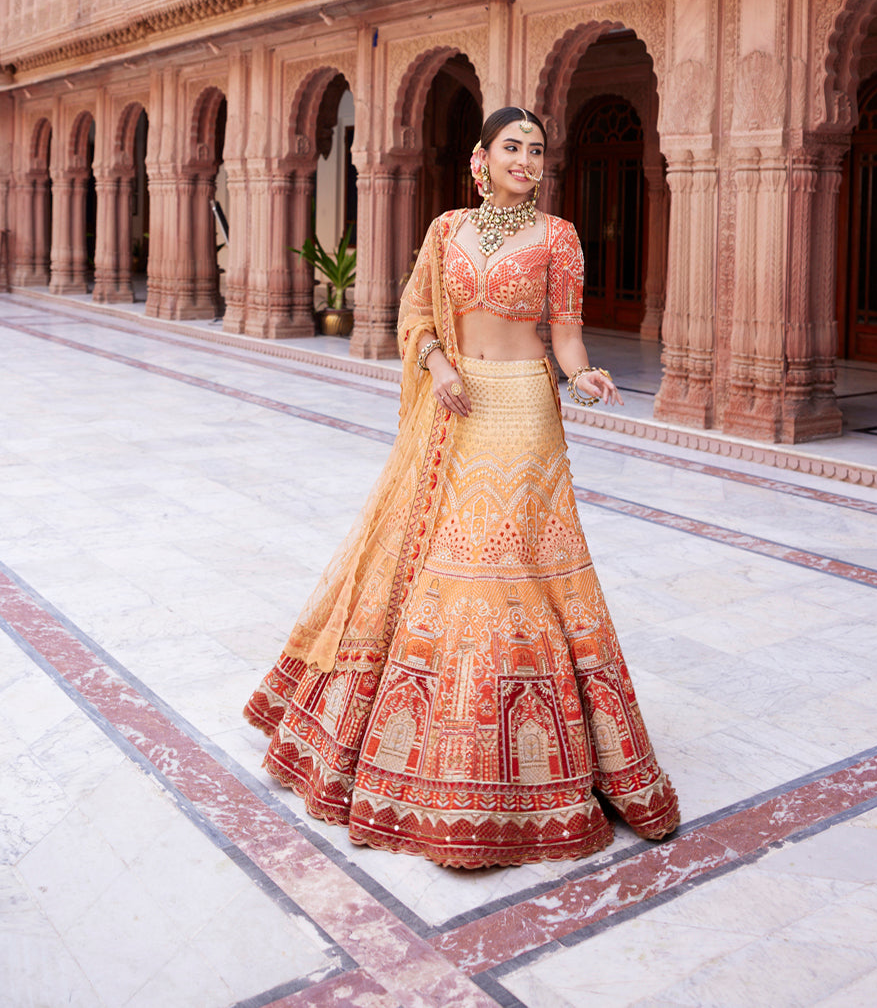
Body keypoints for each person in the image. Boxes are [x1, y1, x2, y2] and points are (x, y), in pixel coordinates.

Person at [244, 107, 679, 868]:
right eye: (512, 146)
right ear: (483, 156)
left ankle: (522, 774)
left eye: (537, 149)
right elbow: (417, 314)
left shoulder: (559, 238)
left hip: (524, 409)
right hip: (458, 406)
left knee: (511, 574)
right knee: (450, 571)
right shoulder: (446, 231)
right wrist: (439, 365)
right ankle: (436, 765)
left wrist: (584, 377)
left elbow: (566, 333)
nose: (526, 158)